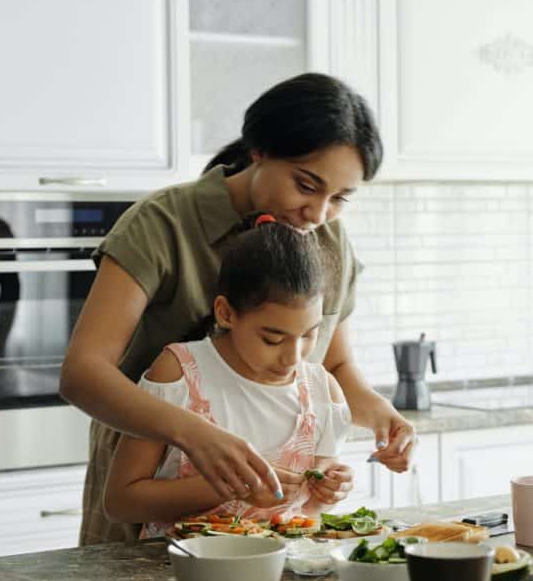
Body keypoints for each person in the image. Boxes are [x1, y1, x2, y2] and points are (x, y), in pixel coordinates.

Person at [60, 72, 418, 544]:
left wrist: (381, 416)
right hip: (151, 492)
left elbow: (333, 364)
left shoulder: (328, 239)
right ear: (260, 150)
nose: (318, 213)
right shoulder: (162, 224)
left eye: (339, 199)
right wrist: (194, 435)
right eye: (306, 185)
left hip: (271, 527)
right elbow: (82, 373)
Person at [104, 218, 353, 536]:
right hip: (178, 573)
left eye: (309, 335)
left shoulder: (322, 391)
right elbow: (121, 502)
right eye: (273, 339)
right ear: (225, 313)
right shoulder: (179, 373)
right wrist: (230, 486)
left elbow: (310, 511)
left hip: (281, 574)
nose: (293, 357)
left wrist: (329, 490)